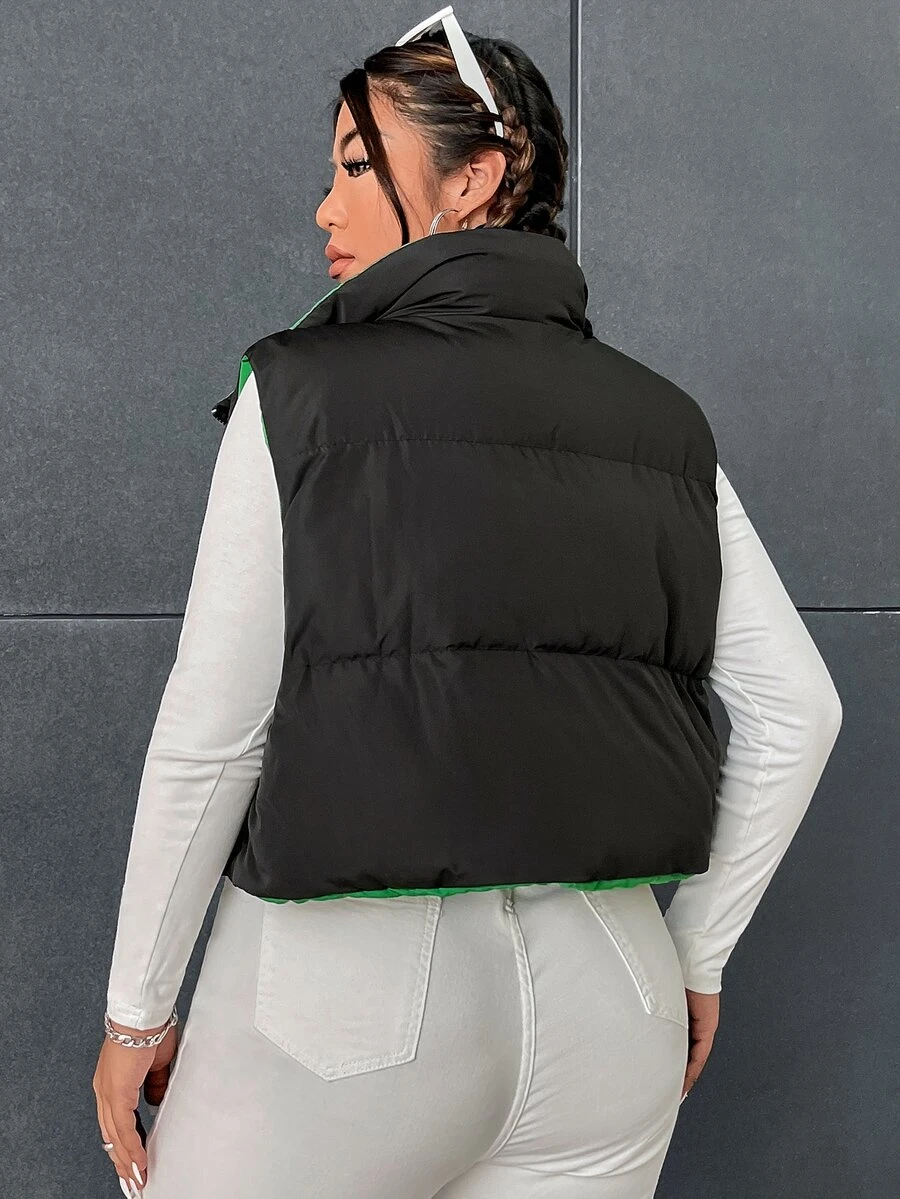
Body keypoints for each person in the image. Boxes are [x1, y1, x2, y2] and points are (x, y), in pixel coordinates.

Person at [92, 8, 843, 1198]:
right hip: (616, 1004)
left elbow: (215, 731)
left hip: (344, 1007)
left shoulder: (303, 392)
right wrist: (696, 954)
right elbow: (800, 708)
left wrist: (137, 1011)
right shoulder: (662, 420)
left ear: (476, 177)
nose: (325, 209)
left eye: (357, 166)